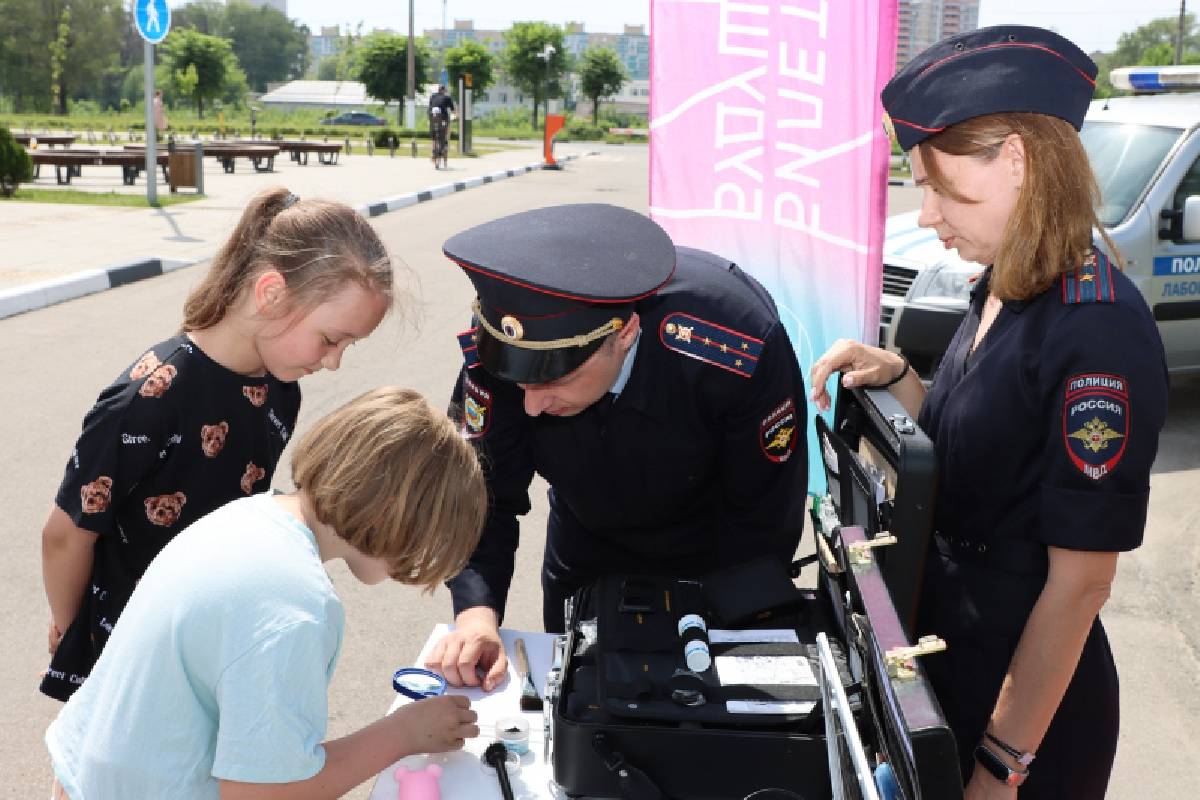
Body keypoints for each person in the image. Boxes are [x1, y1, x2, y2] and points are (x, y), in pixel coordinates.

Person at [809, 26, 1169, 799]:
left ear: (1018, 160)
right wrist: (903, 375)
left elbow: (1080, 586)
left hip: (1023, 715)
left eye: (943, 188)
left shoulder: (1095, 328)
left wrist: (1002, 768)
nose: (930, 214)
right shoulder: (1005, 283)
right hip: (949, 666)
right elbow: (977, 452)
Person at [427, 203, 809, 691]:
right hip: (585, 551)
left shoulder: (733, 343)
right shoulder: (501, 350)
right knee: (582, 704)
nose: (532, 405)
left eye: (557, 380)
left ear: (624, 334)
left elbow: (761, 514)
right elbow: (481, 495)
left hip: (713, 552)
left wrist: (723, 630)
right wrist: (476, 616)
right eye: (518, 383)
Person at [40, 186, 396, 702]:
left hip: (210, 647)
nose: (335, 361)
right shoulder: (149, 397)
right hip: (129, 661)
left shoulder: (280, 391)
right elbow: (66, 534)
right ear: (271, 293)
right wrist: (72, 629)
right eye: (330, 339)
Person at [45, 387, 487, 800]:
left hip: (87, 773)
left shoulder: (253, 515)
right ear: (390, 514)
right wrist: (403, 734)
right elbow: (261, 792)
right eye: (425, 537)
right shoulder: (294, 606)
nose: (416, 559)